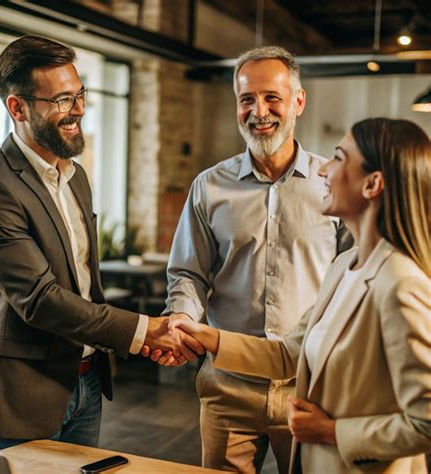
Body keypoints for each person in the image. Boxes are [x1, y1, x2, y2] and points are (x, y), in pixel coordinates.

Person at [0, 35, 202, 450]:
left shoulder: (76, 177)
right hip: (22, 393)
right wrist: (145, 331)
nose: (79, 110)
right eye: (62, 100)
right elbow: (40, 299)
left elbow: (82, 283)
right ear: (17, 107)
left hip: (87, 382)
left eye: (80, 94)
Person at [169, 118, 431, 473]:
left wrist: (333, 432)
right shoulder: (344, 267)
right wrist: (208, 337)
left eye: (339, 158)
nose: (323, 169)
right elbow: (287, 353)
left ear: (373, 184)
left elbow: (425, 421)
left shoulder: (401, 283)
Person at [147, 46, 352, 473]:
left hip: (309, 384)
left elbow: (352, 280)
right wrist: (180, 324)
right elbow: (188, 273)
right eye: (247, 99)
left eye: (272, 97)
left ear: (298, 101)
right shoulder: (209, 186)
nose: (259, 111)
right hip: (228, 383)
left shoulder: (331, 184)